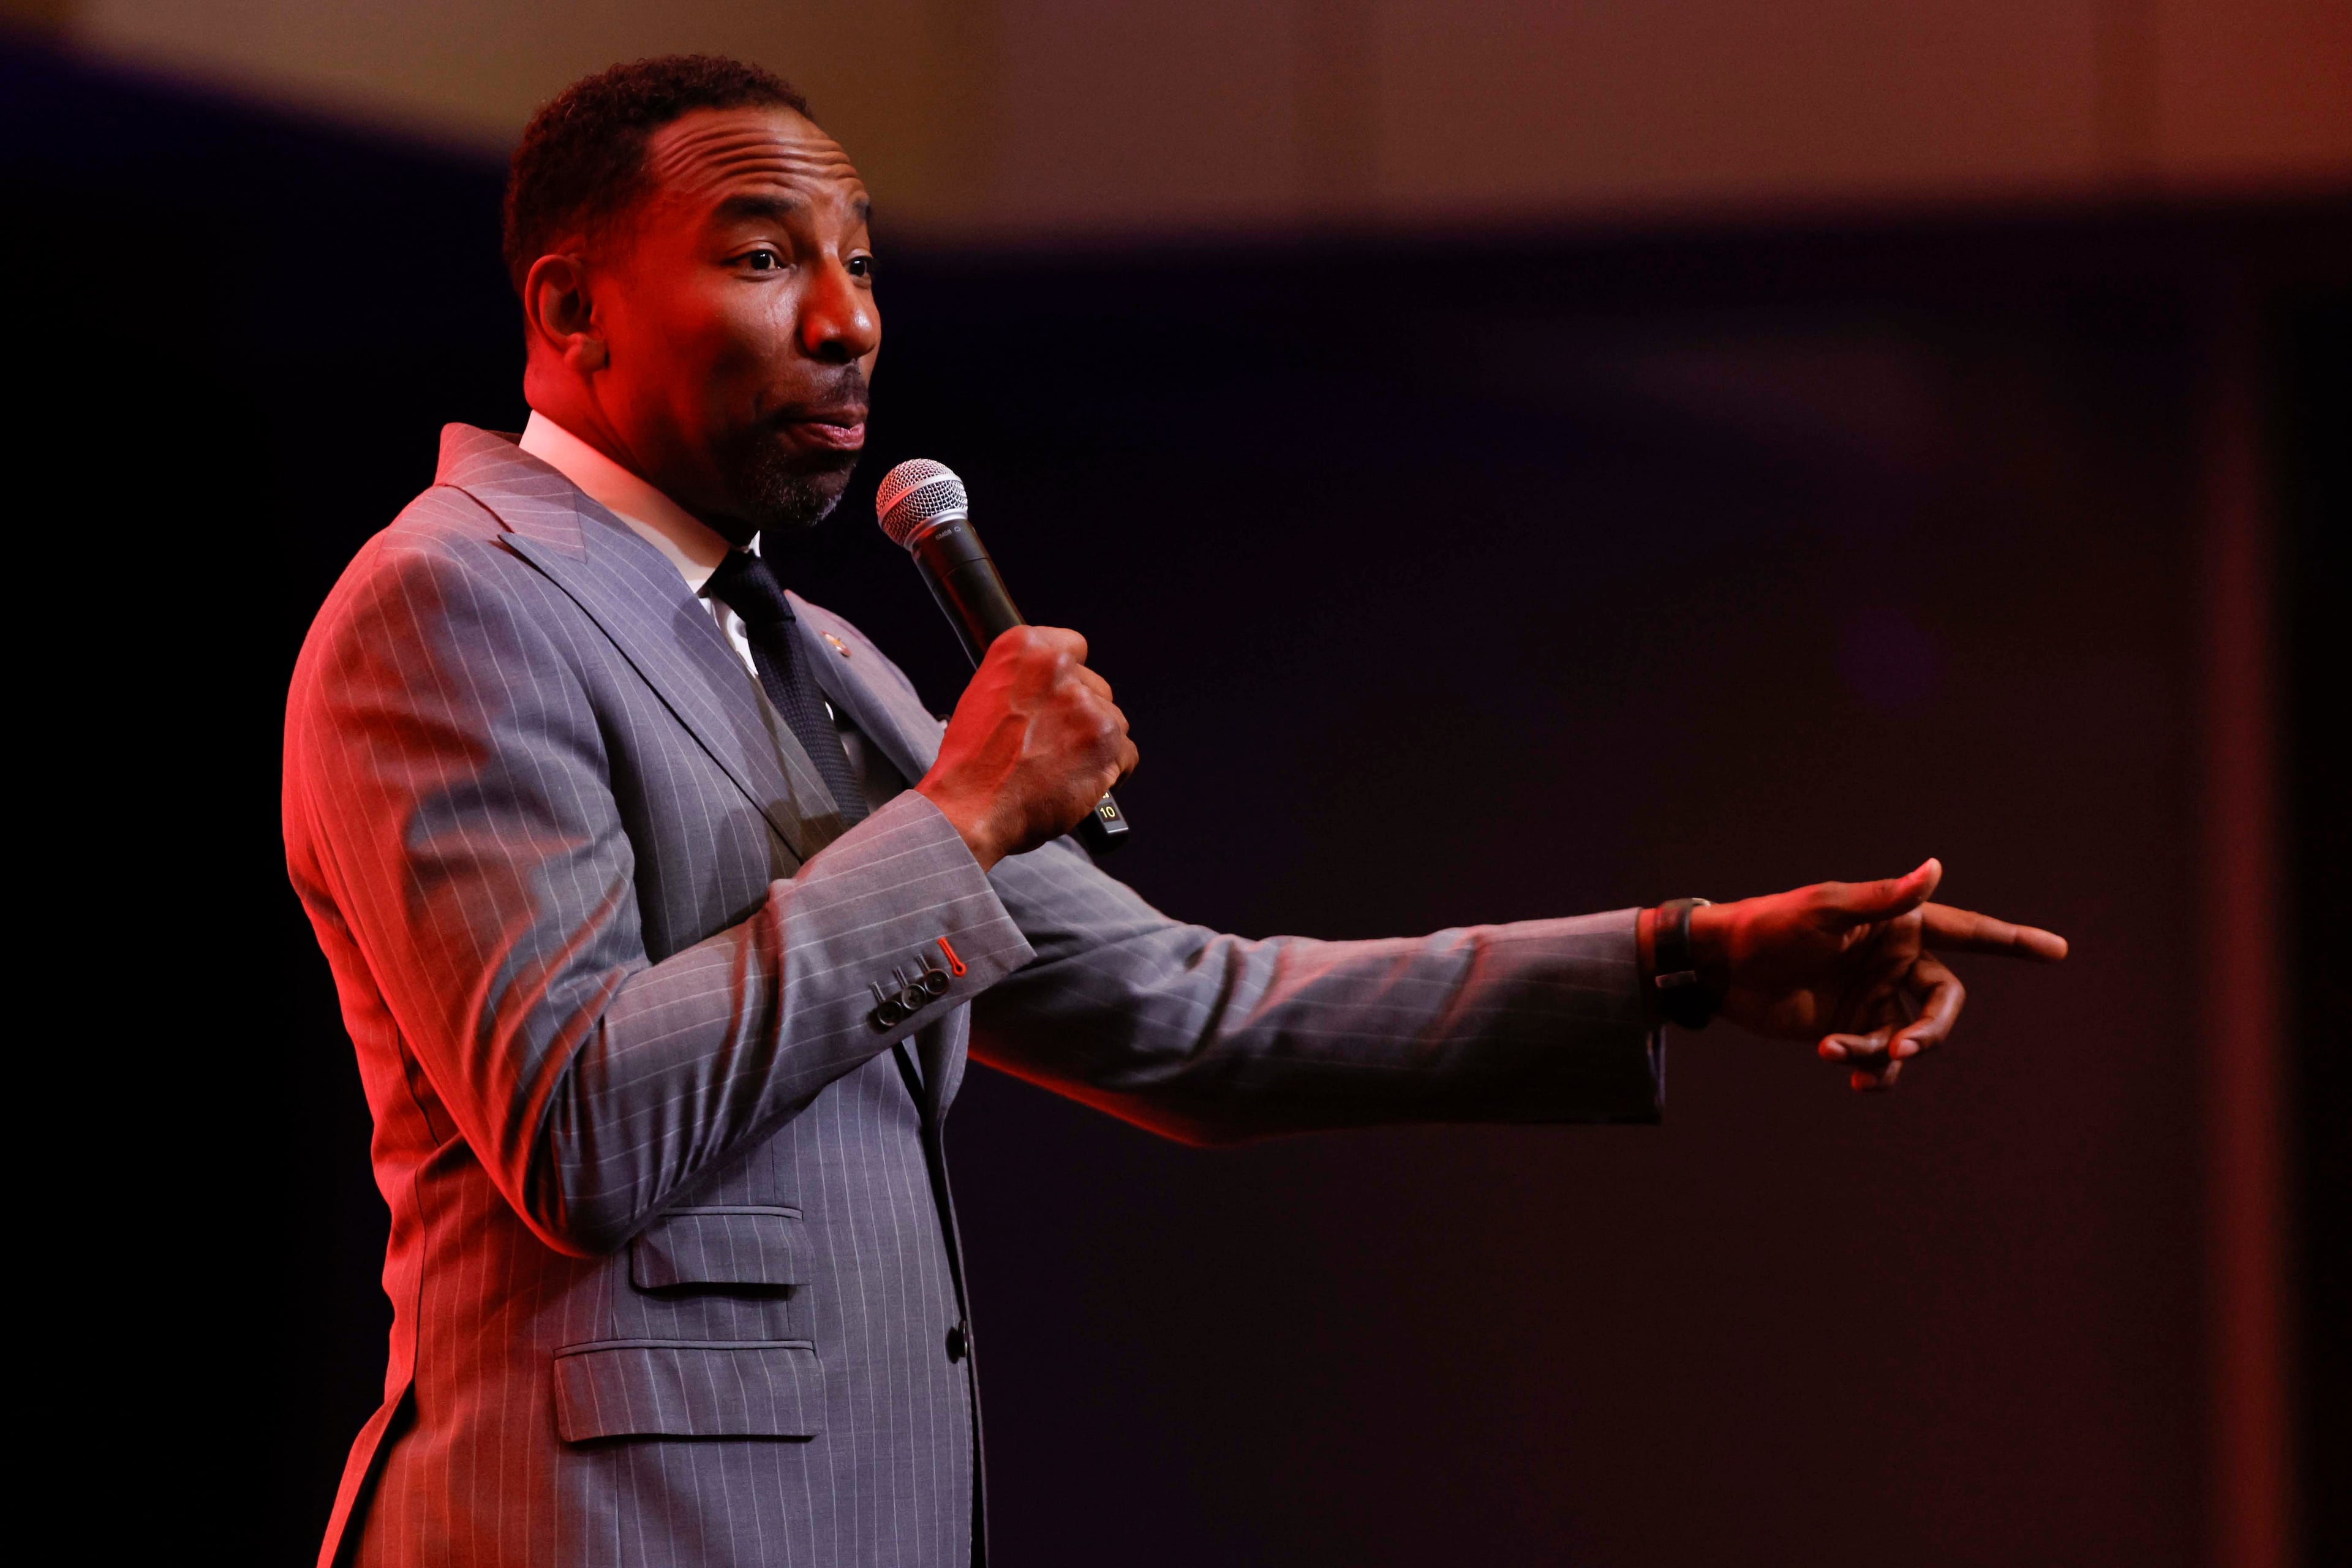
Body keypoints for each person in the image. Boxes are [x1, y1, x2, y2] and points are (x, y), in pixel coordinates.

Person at [282, 54, 2067, 1568]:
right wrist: (965, 815)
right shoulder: (452, 604)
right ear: (569, 306)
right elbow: (578, 1127)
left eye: (860, 263)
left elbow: (1190, 1023)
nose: (846, 322)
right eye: (764, 259)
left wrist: (1683, 963)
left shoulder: (812, 653)